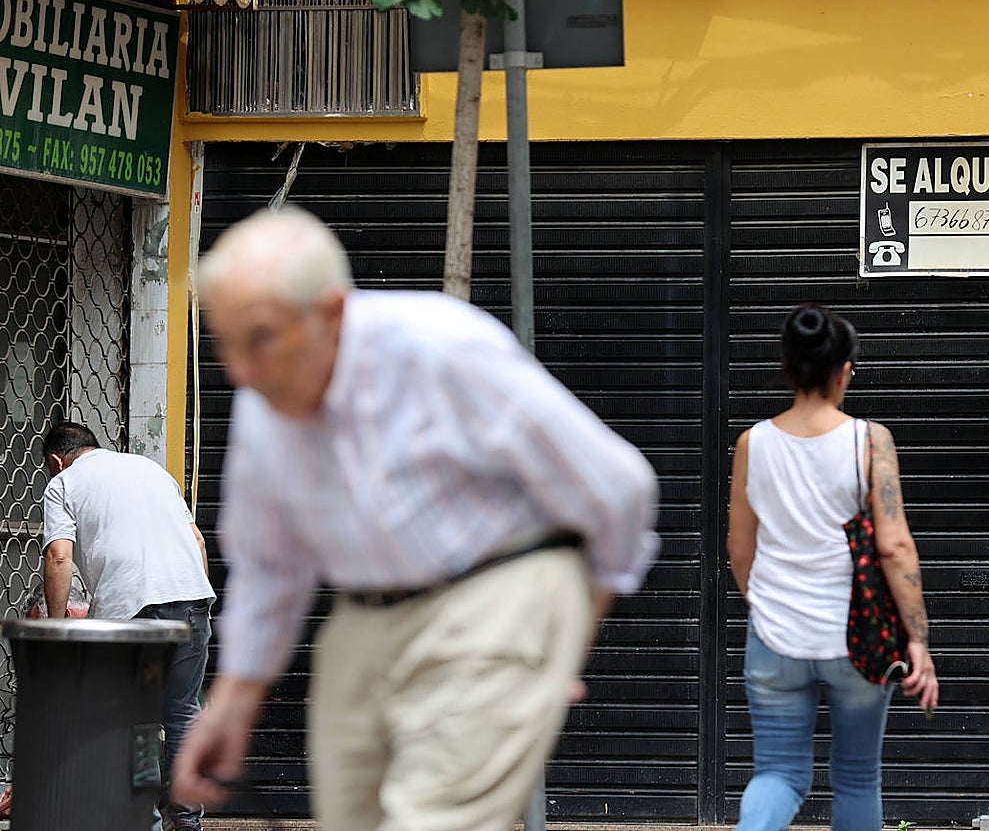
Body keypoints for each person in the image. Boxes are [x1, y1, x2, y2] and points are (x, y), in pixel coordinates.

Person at [171, 206, 660, 831]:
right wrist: (232, 702)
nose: (240, 370)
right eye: (224, 342)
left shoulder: (441, 348)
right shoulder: (264, 400)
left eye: (261, 337)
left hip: (495, 599)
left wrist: (568, 638)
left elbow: (616, 488)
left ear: (332, 312)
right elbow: (270, 564)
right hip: (363, 620)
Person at [726, 304, 939, 831]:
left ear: (787, 367)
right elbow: (894, 547)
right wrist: (917, 639)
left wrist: (769, 607)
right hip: (857, 640)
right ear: (844, 370)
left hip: (774, 637)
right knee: (857, 777)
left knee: (778, 774)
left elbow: (739, 548)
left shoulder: (754, 443)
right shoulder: (870, 441)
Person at [40, 421, 215, 831]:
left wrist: (55, 630)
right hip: (191, 604)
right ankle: (187, 823)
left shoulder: (62, 485)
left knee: (136, 724)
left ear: (55, 460)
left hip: (133, 617)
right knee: (184, 716)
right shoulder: (152, 470)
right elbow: (199, 541)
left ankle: (145, 822)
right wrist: (198, 604)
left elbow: (60, 558)